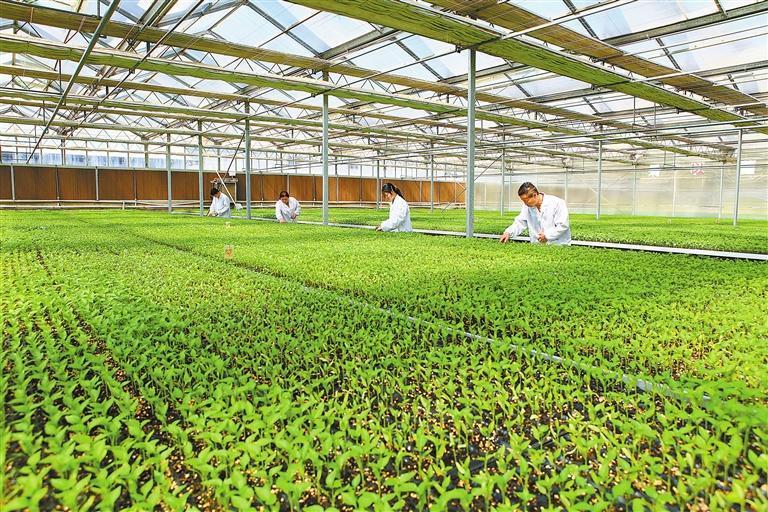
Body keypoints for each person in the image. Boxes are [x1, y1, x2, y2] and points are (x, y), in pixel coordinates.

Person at [499, 182, 570, 245]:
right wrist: (508, 232)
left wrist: (547, 236)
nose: (525, 203)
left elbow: (563, 225)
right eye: (523, 201)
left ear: (535, 195)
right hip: (538, 245)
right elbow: (520, 222)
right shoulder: (527, 206)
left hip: (558, 244)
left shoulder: (557, 203)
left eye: (526, 200)